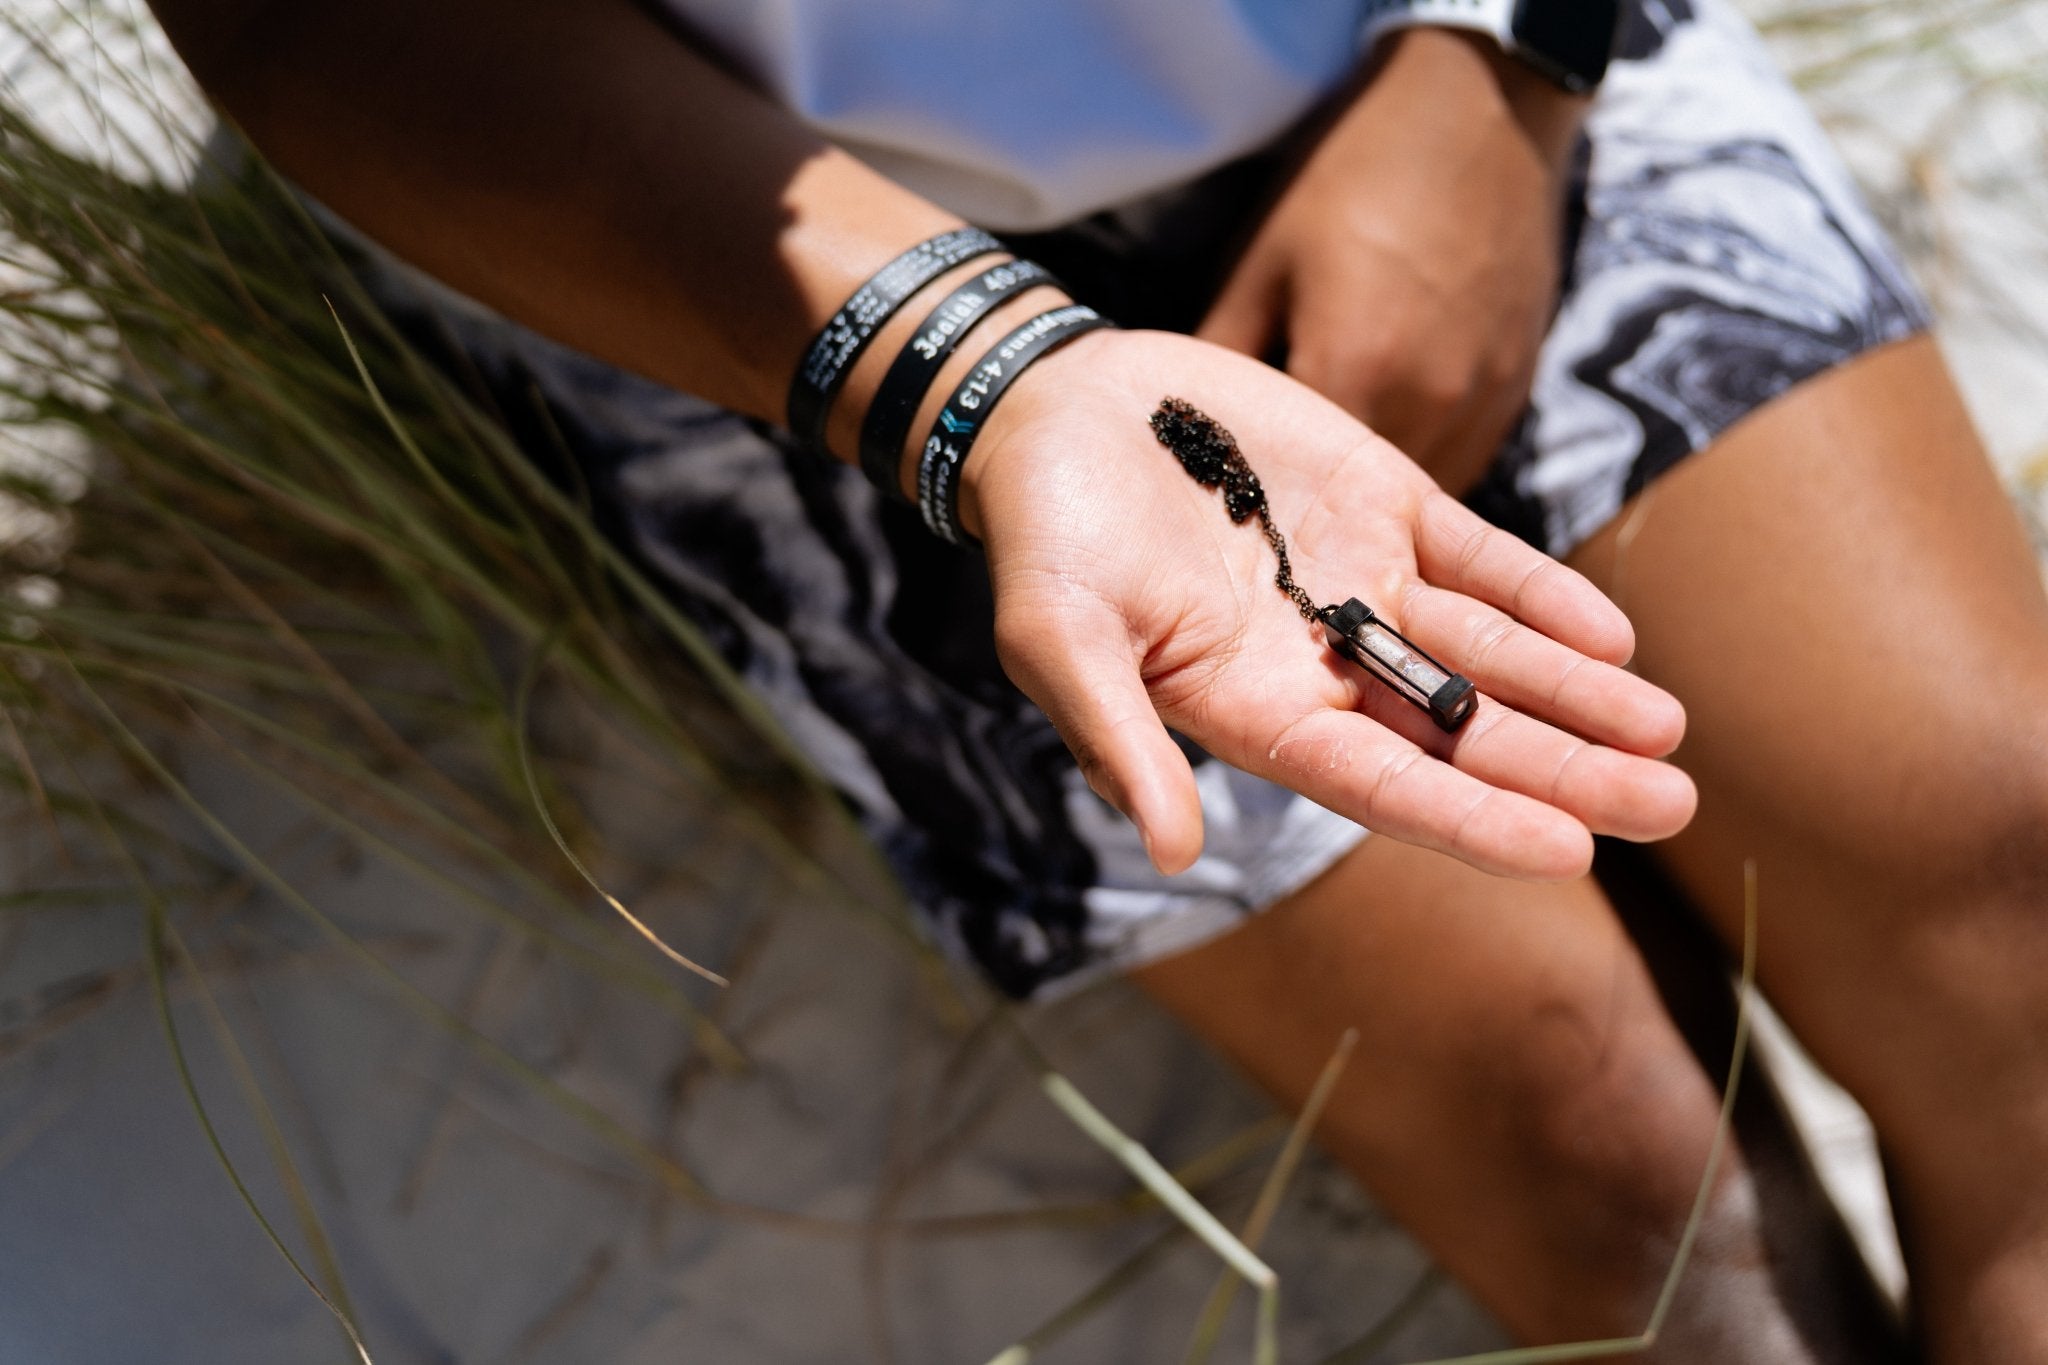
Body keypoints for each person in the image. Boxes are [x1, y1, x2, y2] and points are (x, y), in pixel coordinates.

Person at [143, 0, 2048, 1359]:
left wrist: (1505, 65)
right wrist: (989, 383)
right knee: (1612, 1168)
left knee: (2002, 892)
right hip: (705, 237)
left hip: (1444, 74)